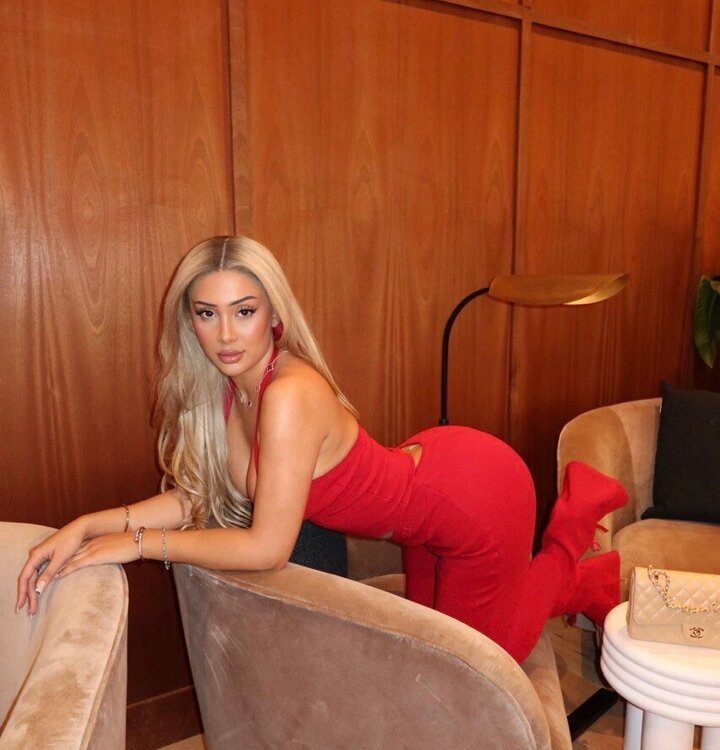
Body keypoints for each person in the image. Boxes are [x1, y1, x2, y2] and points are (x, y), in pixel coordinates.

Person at [16, 236, 628, 663]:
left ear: (272, 314)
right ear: (189, 320)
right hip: (423, 499)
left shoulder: (288, 395)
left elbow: (266, 547)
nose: (225, 334)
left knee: (482, 661)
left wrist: (139, 545)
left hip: (473, 498)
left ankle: (573, 549)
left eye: (244, 311)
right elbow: (197, 496)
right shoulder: (229, 387)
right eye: (207, 313)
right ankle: (575, 557)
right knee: (432, 649)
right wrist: (89, 525)